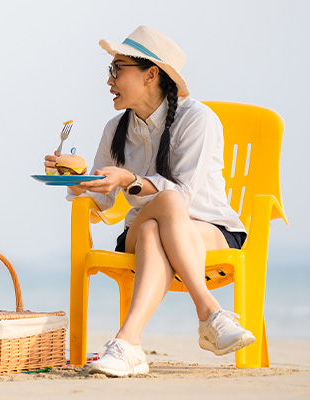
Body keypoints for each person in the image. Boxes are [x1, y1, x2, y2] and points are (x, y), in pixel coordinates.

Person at [44, 26, 254, 377]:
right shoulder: (116, 129)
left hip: (209, 229)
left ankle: (127, 343)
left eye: (117, 69)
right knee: (160, 216)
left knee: (164, 218)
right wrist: (73, 180)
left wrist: (131, 179)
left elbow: (183, 196)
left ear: (151, 75)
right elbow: (100, 199)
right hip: (136, 235)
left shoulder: (197, 120)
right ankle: (209, 314)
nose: (109, 80)